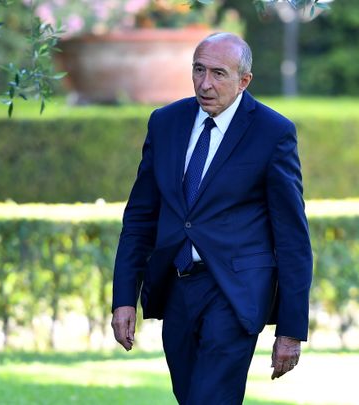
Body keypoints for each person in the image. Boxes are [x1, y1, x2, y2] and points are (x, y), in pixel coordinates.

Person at [110, 32, 313, 404]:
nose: (206, 83)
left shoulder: (273, 132)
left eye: (219, 73)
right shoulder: (165, 123)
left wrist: (291, 329)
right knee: (189, 396)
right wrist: (124, 298)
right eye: (198, 70)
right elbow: (139, 218)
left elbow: (292, 238)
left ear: (244, 80)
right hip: (177, 290)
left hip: (236, 294)